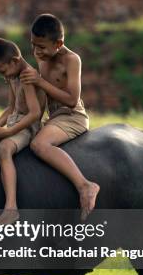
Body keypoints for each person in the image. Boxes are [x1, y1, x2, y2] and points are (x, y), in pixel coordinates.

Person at [20, 13, 100, 220]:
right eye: (33, 45)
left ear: (59, 43)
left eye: (42, 47)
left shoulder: (72, 60)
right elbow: (43, 95)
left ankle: (85, 185)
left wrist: (39, 82)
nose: (37, 51)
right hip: (53, 117)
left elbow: (73, 99)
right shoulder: (42, 57)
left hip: (72, 116)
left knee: (39, 145)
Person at [0, 38, 46, 226]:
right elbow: (10, 108)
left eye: (3, 71)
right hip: (14, 123)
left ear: (15, 61)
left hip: (27, 127)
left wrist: (8, 132)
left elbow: (34, 113)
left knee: (3, 149)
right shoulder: (13, 76)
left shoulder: (27, 76)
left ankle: (11, 208)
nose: (4, 76)